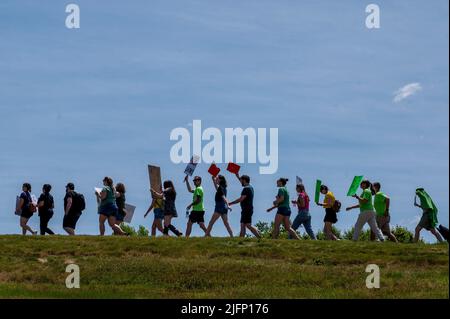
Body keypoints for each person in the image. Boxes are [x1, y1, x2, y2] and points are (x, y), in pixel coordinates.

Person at [228, 173, 261, 238]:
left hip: (247, 209)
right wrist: (237, 176)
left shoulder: (246, 189)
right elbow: (241, 181)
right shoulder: (250, 187)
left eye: (241, 181)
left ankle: (258, 236)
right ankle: (241, 240)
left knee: (247, 225)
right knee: (243, 225)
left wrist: (230, 203)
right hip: (247, 209)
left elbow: (240, 199)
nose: (240, 182)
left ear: (244, 180)